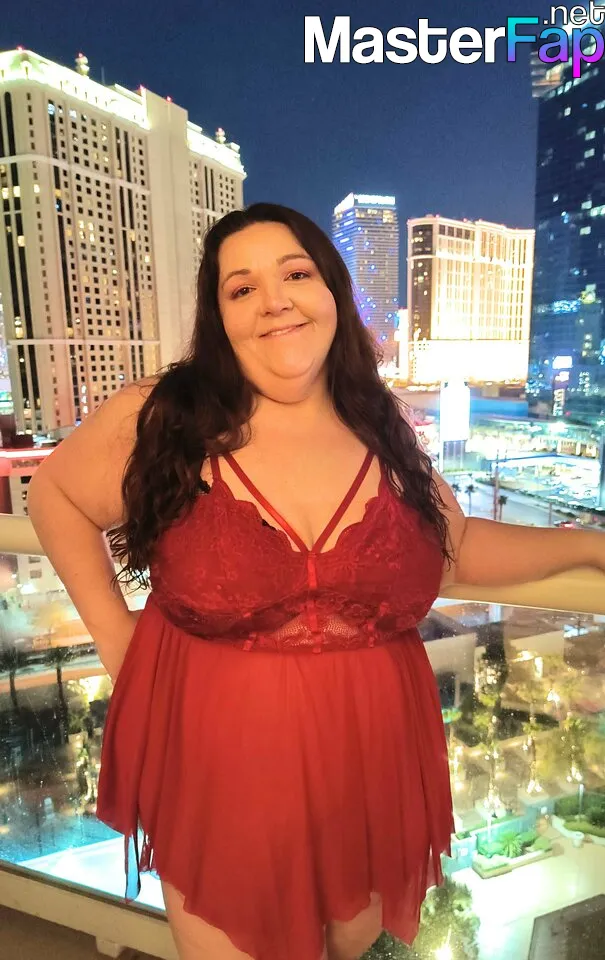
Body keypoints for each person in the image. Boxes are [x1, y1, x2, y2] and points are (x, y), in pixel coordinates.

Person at [27, 203, 605, 960]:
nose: (275, 301)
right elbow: (57, 496)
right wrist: (118, 642)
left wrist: (588, 546)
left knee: (346, 943)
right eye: (242, 288)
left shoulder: (378, 424)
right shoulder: (166, 417)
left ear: (331, 291)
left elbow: (453, 545)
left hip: (367, 756)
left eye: (295, 274)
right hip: (220, 761)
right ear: (219, 317)